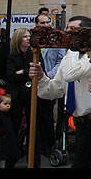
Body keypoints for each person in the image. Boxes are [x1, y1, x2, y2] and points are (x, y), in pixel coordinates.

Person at [30, 15, 91, 168]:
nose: (68, 33)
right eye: (68, 29)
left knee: (82, 163)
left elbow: (70, 74)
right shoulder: (70, 56)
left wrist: (73, 48)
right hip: (79, 121)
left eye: (73, 30)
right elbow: (57, 89)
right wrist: (41, 77)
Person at [5, 27, 43, 167]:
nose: (28, 39)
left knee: (34, 127)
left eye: (29, 37)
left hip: (32, 93)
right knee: (13, 127)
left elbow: (39, 71)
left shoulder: (35, 53)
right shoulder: (11, 55)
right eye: (25, 37)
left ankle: (34, 161)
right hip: (16, 95)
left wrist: (24, 71)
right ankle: (11, 160)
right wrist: (27, 73)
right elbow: (10, 75)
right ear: (18, 38)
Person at [34, 13, 65, 156]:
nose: (46, 25)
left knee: (47, 115)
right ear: (36, 25)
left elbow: (60, 60)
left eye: (47, 22)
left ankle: (48, 144)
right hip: (34, 82)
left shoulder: (56, 40)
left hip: (49, 79)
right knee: (35, 115)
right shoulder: (33, 39)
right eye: (42, 23)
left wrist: (48, 75)